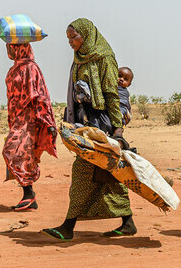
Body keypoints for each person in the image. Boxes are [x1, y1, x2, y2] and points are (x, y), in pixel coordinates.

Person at [42, 18, 134, 241]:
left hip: (100, 123)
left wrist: (118, 131)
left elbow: (112, 94)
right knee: (107, 175)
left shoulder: (104, 58)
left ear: (87, 36)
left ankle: (68, 227)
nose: (71, 42)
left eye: (74, 37)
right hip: (85, 121)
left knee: (83, 172)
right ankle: (128, 222)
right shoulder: (80, 59)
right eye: (68, 38)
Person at [2, 43, 58, 211]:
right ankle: (29, 196)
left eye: (12, 47)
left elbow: (41, 94)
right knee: (23, 154)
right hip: (17, 118)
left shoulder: (31, 68)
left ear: (21, 48)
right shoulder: (13, 69)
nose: (9, 51)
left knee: (12, 151)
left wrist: (46, 120)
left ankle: (29, 194)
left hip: (30, 118)